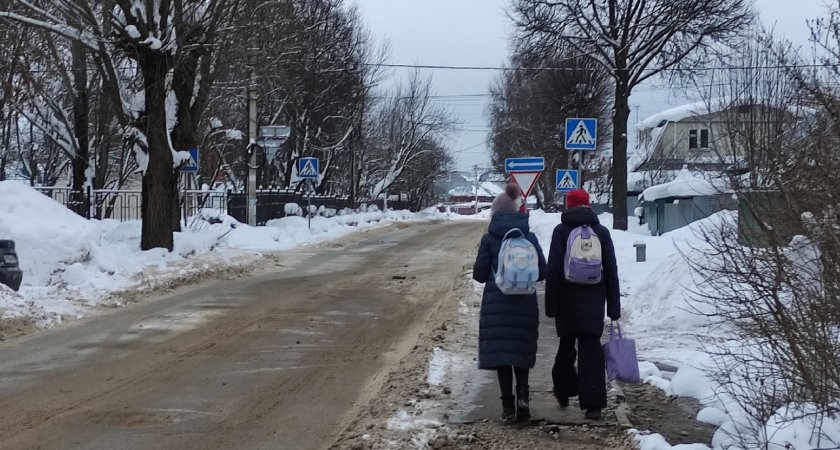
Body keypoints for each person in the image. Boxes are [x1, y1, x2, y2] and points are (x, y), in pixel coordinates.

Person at [472, 183, 547, 423]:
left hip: (497, 306)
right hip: (524, 304)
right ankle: (524, 399)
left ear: (495, 212)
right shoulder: (529, 235)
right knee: (520, 354)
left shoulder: (490, 238)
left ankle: (507, 407)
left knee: (503, 357)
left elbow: (479, 275)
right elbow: (543, 272)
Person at [545, 189, 620, 420]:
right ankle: (594, 405)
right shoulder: (601, 231)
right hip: (593, 300)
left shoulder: (561, 231)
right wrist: (613, 307)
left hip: (567, 300)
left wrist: (551, 303)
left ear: (568, 206)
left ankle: (564, 390)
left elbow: (554, 269)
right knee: (591, 349)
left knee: (566, 347)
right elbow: (611, 270)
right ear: (588, 205)